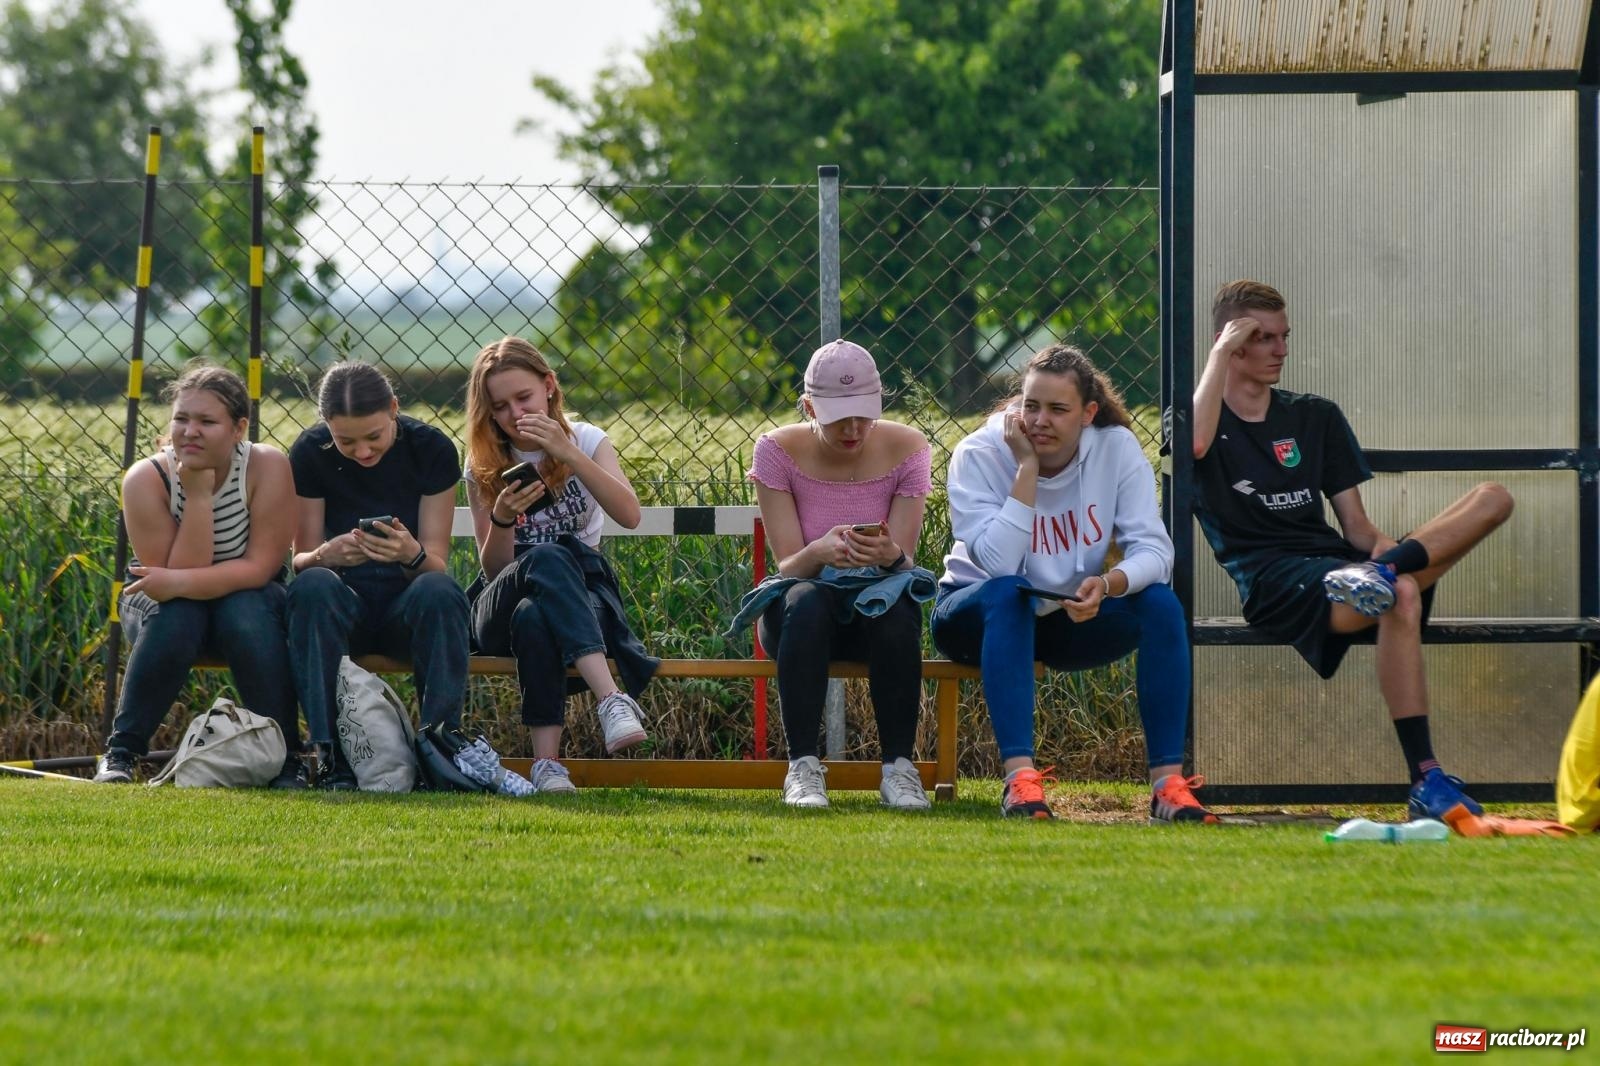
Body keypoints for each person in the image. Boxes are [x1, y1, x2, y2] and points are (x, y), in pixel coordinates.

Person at [1192, 279, 1514, 822]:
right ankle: (1428, 778)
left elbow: (1358, 527)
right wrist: (1219, 354)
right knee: (1401, 592)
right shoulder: (1202, 418)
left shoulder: (1314, 415)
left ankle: (1382, 577)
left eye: (1284, 337)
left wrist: (1387, 555)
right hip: (1275, 580)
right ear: (1232, 342)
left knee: (1492, 499)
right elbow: (1195, 446)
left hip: (1345, 563)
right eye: (1264, 338)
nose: (1281, 350)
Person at [929, 345, 1212, 823]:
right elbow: (997, 564)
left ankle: (1168, 787)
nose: (1040, 420)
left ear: (1088, 413)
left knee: (1160, 604)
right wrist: (1026, 470)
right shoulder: (979, 453)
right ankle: (1020, 782)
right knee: (1008, 593)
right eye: (1031, 405)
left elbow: (1156, 552)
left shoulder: (1115, 448)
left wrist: (1109, 582)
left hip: (1068, 616)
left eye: (1058, 409)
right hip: (975, 615)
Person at [739, 339, 935, 810]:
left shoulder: (908, 448)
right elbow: (787, 567)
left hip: (874, 606)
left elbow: (903, 563)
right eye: (836, 417)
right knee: (805, 598)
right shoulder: (777, 450)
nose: (853, 428)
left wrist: (888, 554)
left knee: (897, 607)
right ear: (809, 407)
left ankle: (898, 769)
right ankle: (803, 766)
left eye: (863, 413)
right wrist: (821, 550)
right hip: (801, 613)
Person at [462, 337, 657, 794]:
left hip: (580, 599)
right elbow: (493, 571)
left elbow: (629, 515)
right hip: (500, 605)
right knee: (544, 561)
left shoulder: (587, 440)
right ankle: (611, 699)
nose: (515, 414)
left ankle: (546, 765)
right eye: (500, 406)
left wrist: (570, 455)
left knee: (537, 614)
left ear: (549, 387)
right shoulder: (483, 463)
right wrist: (503, 517)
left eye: (524, 398)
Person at [94, 363, 303, 787]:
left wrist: (178, 581)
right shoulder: (145, 479)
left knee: (244, 610)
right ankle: (121, 754)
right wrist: (198, 497)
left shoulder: (267, 466)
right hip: (160, 599)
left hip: (246, 595)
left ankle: (288, 759)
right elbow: (173, 578)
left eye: (207, 421)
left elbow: (260, 568)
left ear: (239, 428)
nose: (190, 431)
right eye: (181, 419)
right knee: (179, 614)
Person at [286, 361, 470, 789]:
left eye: (374, 437)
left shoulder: (432, 449)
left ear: (393, 408)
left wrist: (410, 554)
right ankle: (330, 756)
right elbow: (300, 560)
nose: (363, 452)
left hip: (405, 609)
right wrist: (326, 555)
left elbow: (436, 564)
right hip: (341, 608)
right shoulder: (311, 452)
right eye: (345, 441)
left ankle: (440, 750)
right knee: (311, 585)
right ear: (326, 425)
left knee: (440, 590)